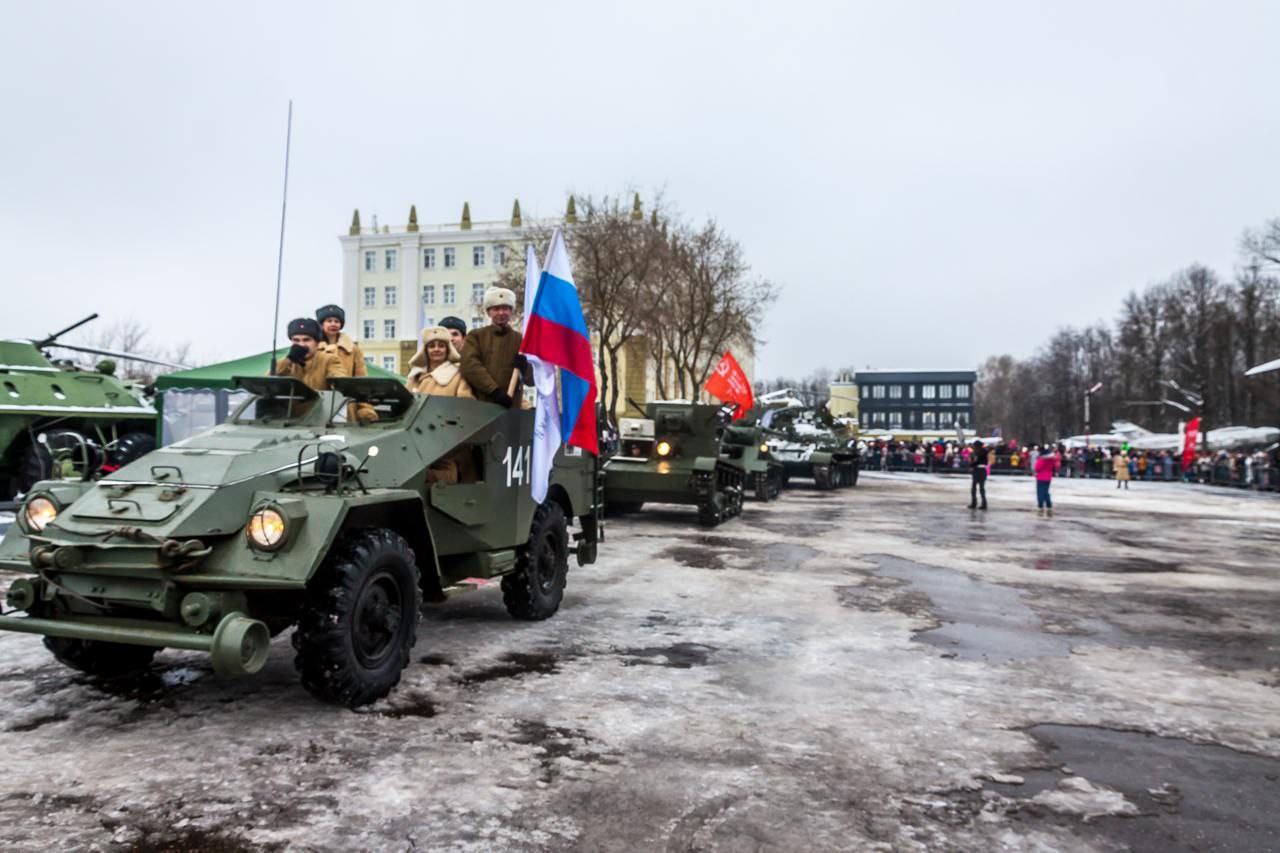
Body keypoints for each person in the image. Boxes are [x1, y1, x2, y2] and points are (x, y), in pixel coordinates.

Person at [407, 327, 474, 484]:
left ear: (447, 348)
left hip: (445, 446)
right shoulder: (414, 377)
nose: (436, 349)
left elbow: (467, 408)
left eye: (441, 345)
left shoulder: (458, 375)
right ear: (425, 349)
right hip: (414, 443)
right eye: (432, 345)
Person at [460, 287, 523, 406]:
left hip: (511, 407)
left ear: (511, 311)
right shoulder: (476, 336)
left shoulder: (519, 339)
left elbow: (531, 379)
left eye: (505, 308)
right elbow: (469, 366)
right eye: (496, 309)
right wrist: (494, 391)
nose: (501, 313)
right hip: (482, 405)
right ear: (488, 312)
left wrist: (525, 367)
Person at [274, 317, 347, 392]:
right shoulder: (287, 362)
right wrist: (288, 361)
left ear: (317, 343)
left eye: (306, 340)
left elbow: (341, 382)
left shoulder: (329, 359)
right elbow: (268, 383)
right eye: (296, 340)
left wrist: (336, 383)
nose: (301, 344)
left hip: (320, 403)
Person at [315, 304, 368, 377]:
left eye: (336, 321)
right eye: (329, 321)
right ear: (321, 324)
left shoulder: (353, 349)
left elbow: (361, 376)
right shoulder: (313, 347)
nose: (333, 324)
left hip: (344, 387)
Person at [1034, 446, 1059, 517]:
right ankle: (1049, 506)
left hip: (1041, 477)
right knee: (1046, 492)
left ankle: (1040, 506)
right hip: (1048, 477)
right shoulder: (1051, 459)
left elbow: (1037, 468)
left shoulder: (1042, 459)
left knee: (1040, 492)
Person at [969, 440, 988, 510]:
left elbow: (977, 461)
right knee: (982, 488)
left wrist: (971, 465)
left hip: (977, 470)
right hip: (983, 470)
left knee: (974, 488)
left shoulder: (978, 452)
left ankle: (974, 503)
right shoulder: (984, 452)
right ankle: (984, 503)